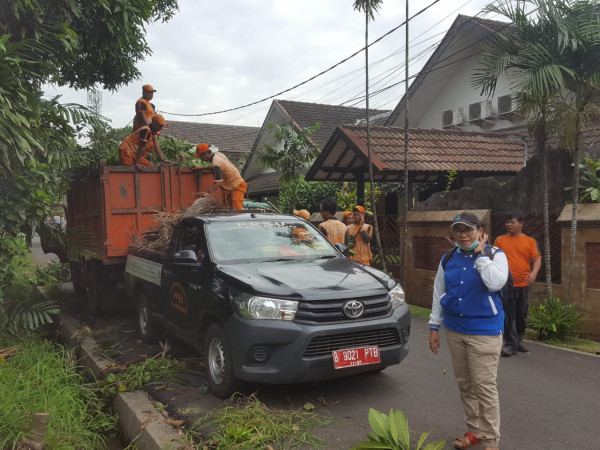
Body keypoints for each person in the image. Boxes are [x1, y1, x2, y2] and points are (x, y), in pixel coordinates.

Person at [429, 212, 508, 450]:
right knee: (465, 384)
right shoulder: (448, 257)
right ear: (452, 234)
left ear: (480, 232)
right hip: (455, 329)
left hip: (484, 331)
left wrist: (479, 255)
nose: (463, 235)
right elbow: (438, 291)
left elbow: (495, 283)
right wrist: (434, 326)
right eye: (458, 231)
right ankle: (474, 431)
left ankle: (491, 439)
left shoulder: (495, 255)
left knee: (484, 386)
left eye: (468, 230)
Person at [494, 212, 541, 356]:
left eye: (512, 222)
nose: (509, 224)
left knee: (521, 313)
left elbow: (537, 259)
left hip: (523, 283)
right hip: (505, 284)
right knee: (508, 313)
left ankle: (518, 339)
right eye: (507, 222)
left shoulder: (530, 241)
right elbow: (493, 258)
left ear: (521, 224)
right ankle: (510, 343)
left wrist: (533, 274)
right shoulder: (500, 240)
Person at [195, 143, 247, 210]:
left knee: (237, 213)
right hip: (232, 187)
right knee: (230, 212)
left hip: (237, 186)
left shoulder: (215, 162)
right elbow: (215, 167)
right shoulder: (218, 154)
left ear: (205, 154)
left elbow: (219, 182)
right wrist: (200, 168)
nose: (200, 158)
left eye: (200, 156)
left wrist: (208, 192)